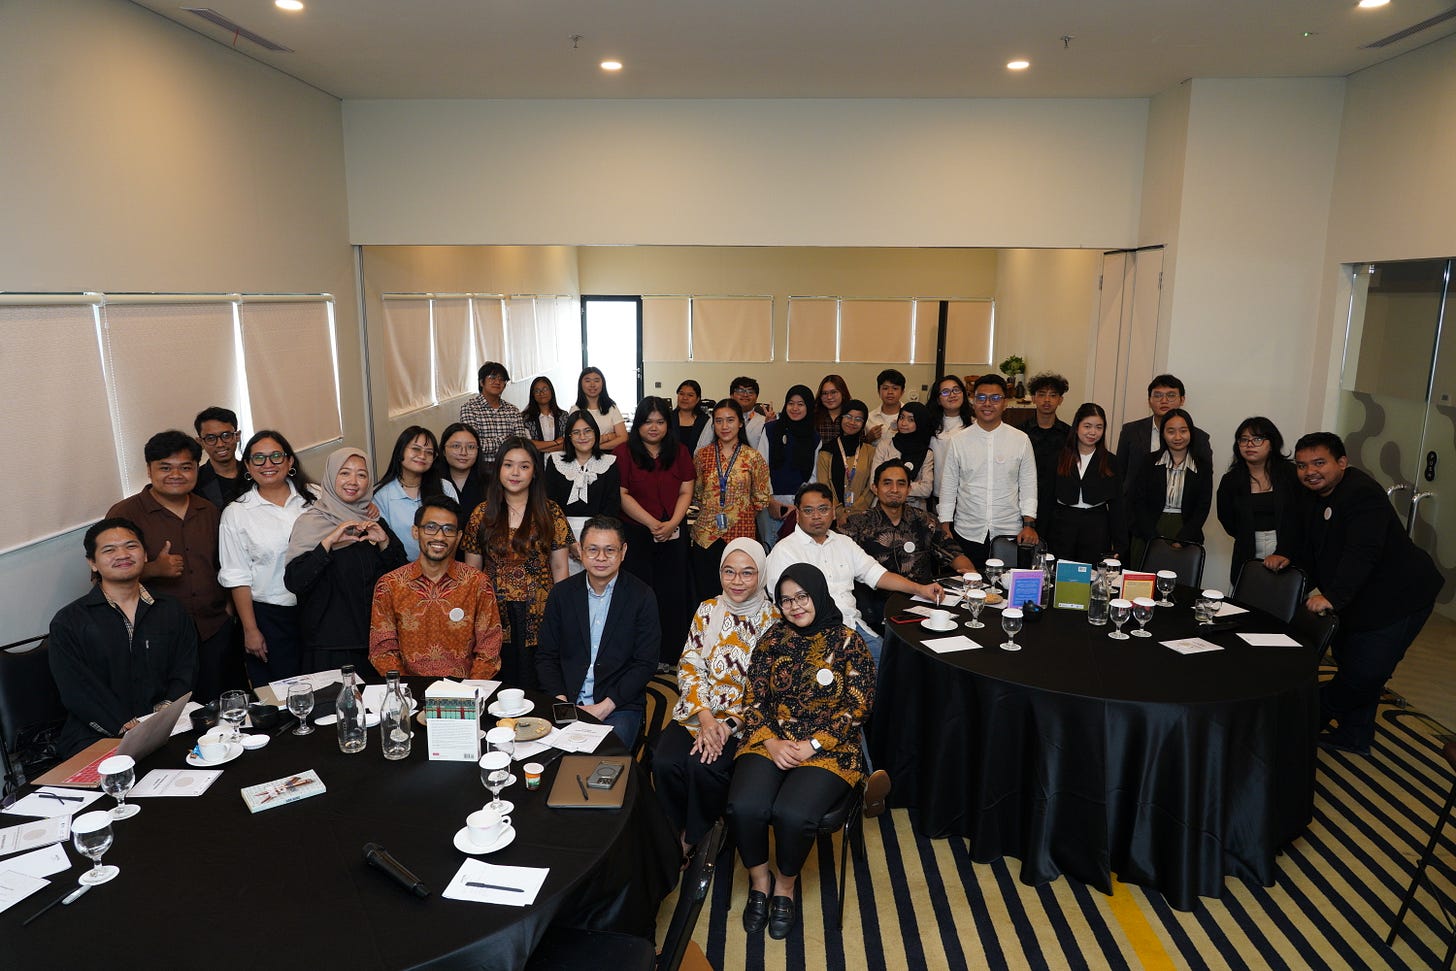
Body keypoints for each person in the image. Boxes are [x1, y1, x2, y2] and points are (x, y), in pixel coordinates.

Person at [726, 563, 884, 940]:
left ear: (818, 593)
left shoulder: (849, 642)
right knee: (744, 805)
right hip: (772, 740)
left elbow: (858, 706)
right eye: (785, 600)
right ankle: (760, 879)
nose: (795, 606)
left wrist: (812, 744)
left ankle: (785, 885)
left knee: (793, 813)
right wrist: (770, 740)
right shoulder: (772, 639)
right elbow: (754, 698)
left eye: (802, 596)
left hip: (830, 748)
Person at [1264, 432, 1444, 755]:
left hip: (1399, 596)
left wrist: (1333, 597)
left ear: (1342, 463)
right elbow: (1302, 534)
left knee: (1365, 672)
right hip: (1356, 596)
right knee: (1351, 662)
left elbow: (1364, 552)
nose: (1310, 472)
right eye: (1303, 465)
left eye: (1319, 463)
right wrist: (1286, 553)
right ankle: (1355, 736)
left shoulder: (1363, 495)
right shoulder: (1308, 492)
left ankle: (1305, 719)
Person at [651, 538, 779, 860]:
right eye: (729, 572)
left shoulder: (774, 620)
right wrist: (707, 718)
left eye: (747, 573)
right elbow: (690, 663)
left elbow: (767, 688)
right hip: (698, 710)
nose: (737, 581)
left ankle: (694, 835)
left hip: (741, 719)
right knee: (664, 762)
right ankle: (671, 826)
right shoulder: (708, 609)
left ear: (761, 575)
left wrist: (727, 724)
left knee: (703, 765)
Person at [49, 518, 198, 758]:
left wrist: (164, 714)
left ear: (145, 554)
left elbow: (185, 668)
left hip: (165, 726)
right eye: (109, 550)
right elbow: (78, 689)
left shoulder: (171, 609)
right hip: (99, 734)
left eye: (131, 546)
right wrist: (126, 726)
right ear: (92, 563)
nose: (122, 554)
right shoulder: (69, 622)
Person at [108, 430, 232, 702]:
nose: (176, 475)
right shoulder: (125, 514)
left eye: (185, 467)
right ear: (149, 470)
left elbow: (222, 564)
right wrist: (152, 569)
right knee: (172, 713)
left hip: (213, 629)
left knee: (218, 705)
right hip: (157, 637)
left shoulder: (208, 510)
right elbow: (103, 577)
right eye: (165, 467)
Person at [767, 483, 945, 665]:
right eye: (808, 511)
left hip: (852, 625)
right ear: (797, 514)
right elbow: (784, 606)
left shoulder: (844, 543)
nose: (816, 516)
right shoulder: (785, 551)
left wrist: (921, 589)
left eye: (823, 509)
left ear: (833, 513)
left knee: (893, 666)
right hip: (812, 635)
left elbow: (877, 574)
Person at [535, 516, 660, 746]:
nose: (601, 558)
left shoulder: (642, 596)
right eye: (593, 550)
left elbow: (645, 664)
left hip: (617, 704)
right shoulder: (562, 595)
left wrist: (605, 707)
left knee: (606, 758)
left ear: (623, 552)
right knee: (543, 753)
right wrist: (562, 702)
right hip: (566, 700)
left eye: (609, 550)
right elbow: (546, 657)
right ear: (581, 551)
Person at [285, 447, 407, 675]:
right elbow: (295, 581)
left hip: (376, 643)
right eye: (344, 473)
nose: (353, 481)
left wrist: (384, 542)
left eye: (362, 474)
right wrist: (328, 542)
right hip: (329, 647)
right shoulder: (310, 523)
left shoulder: (372, 519)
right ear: (331, 476)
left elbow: (401, 577)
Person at [461, 437, 571, 689]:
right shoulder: (482, 513)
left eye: (524, 466)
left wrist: (561, 612)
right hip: (494, 612)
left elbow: (560, 568)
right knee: (499, 681)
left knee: (540, 681)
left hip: (541, 610)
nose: (515, 473)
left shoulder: (550, 512)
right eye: (508, 465)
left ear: (534, 473)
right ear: (498, 469)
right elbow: (471, 573)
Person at [218, 430, 316, 686]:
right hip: (271, 618)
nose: (268, 464)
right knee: (282, 695)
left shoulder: (316, 497)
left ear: (290, 461)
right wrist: (250, 630)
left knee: (326, 689)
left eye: (276, 456)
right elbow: (237, 576)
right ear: (248, 466)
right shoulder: (237, 513)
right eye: (258, 458)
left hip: (321, 609)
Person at [369, 496, 502, 680]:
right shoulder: (390, 585)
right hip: (410, 695)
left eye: (449, 530)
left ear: (459, 537)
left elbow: (489, 649)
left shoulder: (477, 583)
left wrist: (468, 694)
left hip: (464, 695)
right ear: (416, 532)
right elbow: (383, 650)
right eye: (431, 527)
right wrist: (407, 693)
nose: (439, 537)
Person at [843, 462, 975, 627]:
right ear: (875, 488)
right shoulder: (858, 524)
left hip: (924, 600)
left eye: (901, 483)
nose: (894, 490)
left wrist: (971, 575)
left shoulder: (925, 520)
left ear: (909, 489)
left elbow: (952, 553)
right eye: (887, 483)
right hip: (877, 605)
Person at [615, 397, 695, 661]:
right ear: (638, 423)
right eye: (648, 421)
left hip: (673, 532)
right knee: (639, 595)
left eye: (660, 421)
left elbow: (686, 489)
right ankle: (640, 655)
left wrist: (672, 522)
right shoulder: (623, 452)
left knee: (672, 594)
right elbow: (622, 494)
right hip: (637, 534)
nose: (654, 427)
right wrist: (651, 523)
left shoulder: (680, 451)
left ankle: (671, 654)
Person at [937, 375, 1039, 566]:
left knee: (1007, 589)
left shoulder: (1020, 440)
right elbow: (949, 486)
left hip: (1009, 531)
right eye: (981, 398)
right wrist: (945, 524)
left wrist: (1029, 524)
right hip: (968, 530)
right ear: (973, 402)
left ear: (1005, 403)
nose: (987, 404)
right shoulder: (959, 441)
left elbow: (1028, 485)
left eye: (995, 398)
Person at [691, 399, 771, 599]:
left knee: (739, 593)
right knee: (706, 593)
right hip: (706, 536)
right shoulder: (702, 456)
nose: (724, 426)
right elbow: (698, 494)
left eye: (730, 420)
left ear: (740, 423)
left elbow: (761, 499)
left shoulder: (753, 457)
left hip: (741, 534)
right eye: (718, 421)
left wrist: (737, 511)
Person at [1215, 417, 1302, 586]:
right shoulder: (1231, 479)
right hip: (1247, 548)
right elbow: (1226, 518)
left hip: (1289, 549)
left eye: (1257, 439)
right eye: (1244, 440)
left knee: (1285, 601)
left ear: (1272, 443)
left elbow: (1300, 517)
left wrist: (1285, 550)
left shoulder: (1290, 473)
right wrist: (1246, 534)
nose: (1249, 445)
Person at [1045, 403, 1127, 564]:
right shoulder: (1058, 457)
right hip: (1062, 526)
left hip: (1096, 528)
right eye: (1087, 426)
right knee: (1061, 577)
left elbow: (1118, 505)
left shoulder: (1111, 461)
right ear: (1076, 427)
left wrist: (1120, 545)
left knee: (1090, 577)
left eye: (1099, 427)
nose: (1093, 432)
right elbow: (1046, 498)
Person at [1130, 407, 1212, 565]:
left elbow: (1203, 506)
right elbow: (1138, 501)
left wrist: (1182, 539)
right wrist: (1153, 538)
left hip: (1185, 531)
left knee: (1179, 584)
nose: (1178, 437)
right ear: (1163, 434)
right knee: (1143, 585)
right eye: (1171, 431)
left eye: (1183, 431)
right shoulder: (1149, 461)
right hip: (1149, 530)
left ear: (1191, 433)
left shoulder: (1202, 466)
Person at [544, 410, 621, 574]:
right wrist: (569, 541)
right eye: (576, 432)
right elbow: (550, 505)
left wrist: (593, 542)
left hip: (600, 537)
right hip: (561, 538)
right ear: (569, 436)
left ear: (596, 433)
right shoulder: (555, 460)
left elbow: (612, 506)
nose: (582, 437)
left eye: (587, 431)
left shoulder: (609, 462)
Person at [1116, 374, 1213, 497]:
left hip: (1178, 507)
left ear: (1182, 400)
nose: (1164, 401)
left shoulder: (1199, 437)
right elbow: (1119, 472)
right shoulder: (1130, 431)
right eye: (1157, 395)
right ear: (1149, 401)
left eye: (1171, 395)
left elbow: (1204, 480)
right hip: (1134, 506)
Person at [374, 425, 458, 562]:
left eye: (429, 452)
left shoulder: (445, 487)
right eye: (416, 449)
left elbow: (454, 532)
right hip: (399, 570)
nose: (422, 456)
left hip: (442, 568)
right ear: (401, 451)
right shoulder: (381, 495)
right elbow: (384, 543)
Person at [763, 385, 820, 545]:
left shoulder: (814, 437)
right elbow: (761, 467)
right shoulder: (770, 430)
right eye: (791, 403)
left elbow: (814, 476)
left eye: (800, 404)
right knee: (771, 550)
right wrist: (770, 500)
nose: (795, 408)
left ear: (808, 407)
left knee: (798, 552)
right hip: (770, 504)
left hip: (800, 506)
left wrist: (799, 505)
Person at [815, 398, 876, 524]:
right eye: (848, 416)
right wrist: (839, 512)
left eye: (858, 419)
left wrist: (853, 512)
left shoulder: (870, 452)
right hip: (832, 517)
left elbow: (871, 485)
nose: (852, 422)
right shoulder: (826, 450)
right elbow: (824, 485)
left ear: (864, 424)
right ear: (841, 418)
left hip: (863, 517)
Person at [459, 361, 529, 468]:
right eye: (492, 377)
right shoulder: (469, 408)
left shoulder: (513, 410)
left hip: (510, 466)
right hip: (482, 468)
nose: (497, 382)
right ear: (482, 382)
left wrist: (491, 443)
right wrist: (505, 440)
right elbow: (473, 445)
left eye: (501, 379)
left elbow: (521, 442)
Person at [1022, 373, 1071, 525]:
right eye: (1042, 395)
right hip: (1024, 504)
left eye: (1053, 395)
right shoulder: (1019, 433)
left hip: (1058, 507)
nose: (1047, 400)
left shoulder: (1069, 434)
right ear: (1033, 398)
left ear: (1060, 400)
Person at [871, 400, 935, 509]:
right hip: (883, 507)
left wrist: (888, 485)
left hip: (915, 510)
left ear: (920, 423)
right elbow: (874, 483)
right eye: (901, 417)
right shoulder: (885, 445)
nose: (904, 423)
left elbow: (926, 489)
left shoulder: (926, 453)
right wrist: (910, 486)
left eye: (911, 420)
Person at [694, 376, 774, 453]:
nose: (745, 395)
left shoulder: (763, 421)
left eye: (750, 392)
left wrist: (770, 427)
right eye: (740, 391)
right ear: (731, 395)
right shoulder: (717, 418)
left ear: (756, 397)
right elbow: (701, 448)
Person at [928, 374, 973, 505]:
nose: (952, 395)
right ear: (938, 399)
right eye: (946, 392)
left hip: (965, 495)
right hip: (935, 493)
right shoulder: (929, 425)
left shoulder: (974, 425)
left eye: (956, 390)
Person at [192, 406, 246, 509]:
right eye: (211, 438)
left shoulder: (255, 474)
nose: (220, 444)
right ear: (200, 442)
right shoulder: (194, 481)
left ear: (237, 436)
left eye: (226, 436)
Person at [437, 422, 489, 527]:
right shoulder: (433, 482)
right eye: (456, 446)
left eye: (471, 447)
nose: (463, 452)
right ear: (443, 450)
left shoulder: (492, 482)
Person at [575, 366, 628, 451]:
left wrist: (596, 448)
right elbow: (574, 440)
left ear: (603, 384)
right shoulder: (575, 409)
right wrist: (607, 437)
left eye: (596, 380)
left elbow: (623, 438)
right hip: (582, 457)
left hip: (608, 455)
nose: (592, 385)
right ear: (581, 384)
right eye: (587, 381)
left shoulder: (612, 408)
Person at [523, 375, 568, 455]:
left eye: (545, 389)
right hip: (535, 464)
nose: (541, 393)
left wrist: (539, 447)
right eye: (537, 391)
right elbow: (527, 445)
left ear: (551, 391)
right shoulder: (525, 418)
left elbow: (567, 444)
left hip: (560, 463)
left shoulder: (563, 416)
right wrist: (556, 442)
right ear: (533, 395)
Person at [865, 368, 905, 443]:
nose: (890, 392)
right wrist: (868, 439)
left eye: (895, 388)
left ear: (902, 392)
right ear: (878, 391)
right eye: (885, 388)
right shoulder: (869, 418)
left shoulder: (911, 417)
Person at [813, 374, 851, 445]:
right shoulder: (813, 417)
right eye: (825, 393)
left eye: (833, 392)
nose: (829, 397)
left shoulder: (851, 416)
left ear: (843, 393)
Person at [673, 380, 709, 453]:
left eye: (690, 395)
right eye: (681, 394)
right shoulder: (668, 418)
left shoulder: (706, 421)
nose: (685, 398)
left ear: (697, 399)